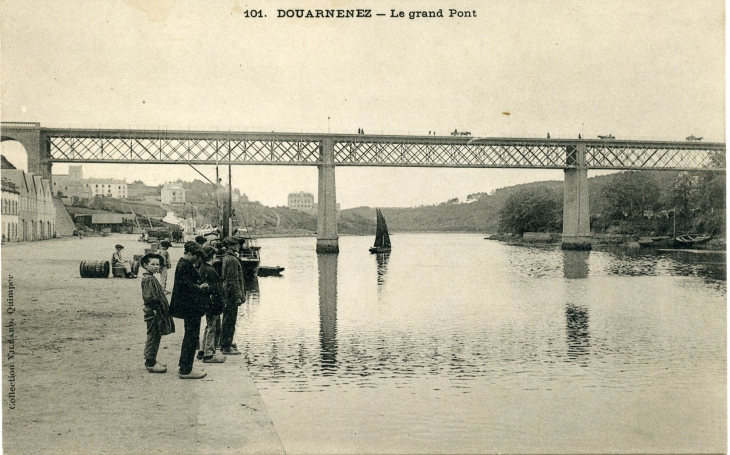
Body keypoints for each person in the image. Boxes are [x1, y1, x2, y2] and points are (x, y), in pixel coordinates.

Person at [169, 241, 210, 379]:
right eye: (196, 256)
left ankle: (186, 365)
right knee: (191, 337)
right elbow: (185, 287)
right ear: (190, 253)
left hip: (189, 308)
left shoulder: (184, 265)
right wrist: (200, 287)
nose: (198, 260)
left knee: (190, 336)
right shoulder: (184, 266)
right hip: (190, 308)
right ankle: (186, 370)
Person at [140, 252, 175, 373]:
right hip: (154, 312)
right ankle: (150, 362)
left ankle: (152, 359)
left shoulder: (151, 277)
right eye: (152, 264)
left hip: (156, 311)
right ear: (145, 265)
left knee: (156, 335)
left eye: (158, 264)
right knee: (153, 336)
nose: (156, 266)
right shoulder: (148, 279)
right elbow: (150, 298)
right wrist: (157, 308)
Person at [195, 246, 226, 363]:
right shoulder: (210, 270)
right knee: (213, 326)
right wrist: (222, 302)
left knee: (208, 326)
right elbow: (217, 289)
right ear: (212, 256)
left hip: (207, 302)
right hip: (213, 303)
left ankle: (202, 351)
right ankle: (209, 354)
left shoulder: (203, 268)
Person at [220, 236, 245, 355]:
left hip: (227, 294)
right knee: (230, 320)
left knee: (227, 319)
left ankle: (226, 342)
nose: (239, 246)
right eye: (237, 244)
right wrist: (237, 297)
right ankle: (226, 346)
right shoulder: (233, 260)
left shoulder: (227, 258)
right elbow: (232, 280)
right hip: (231, 296)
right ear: (231, 246)